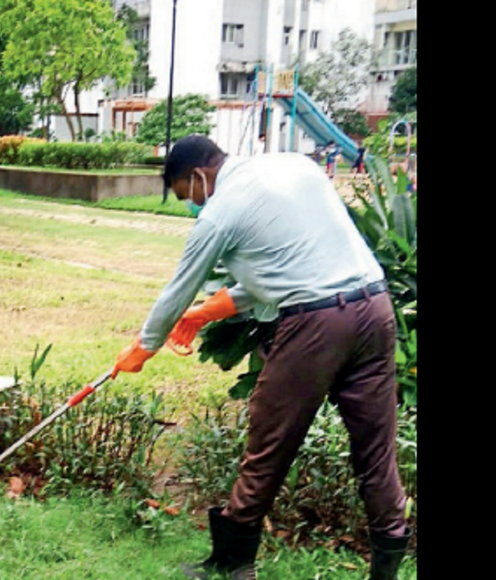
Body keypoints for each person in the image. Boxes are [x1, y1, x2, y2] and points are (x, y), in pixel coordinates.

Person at [109, 135, 412, 580]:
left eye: (185, 195)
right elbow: (290, 263)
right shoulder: (294, 166)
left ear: (198, 175)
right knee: (375, 451)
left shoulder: (220, 211)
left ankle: (233, 563)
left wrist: (143, 348)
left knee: (268, 441)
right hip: (376, 309)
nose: (191, 205)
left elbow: (178, 289)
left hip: (317, 325)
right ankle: (386, 571)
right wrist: (208, 312)